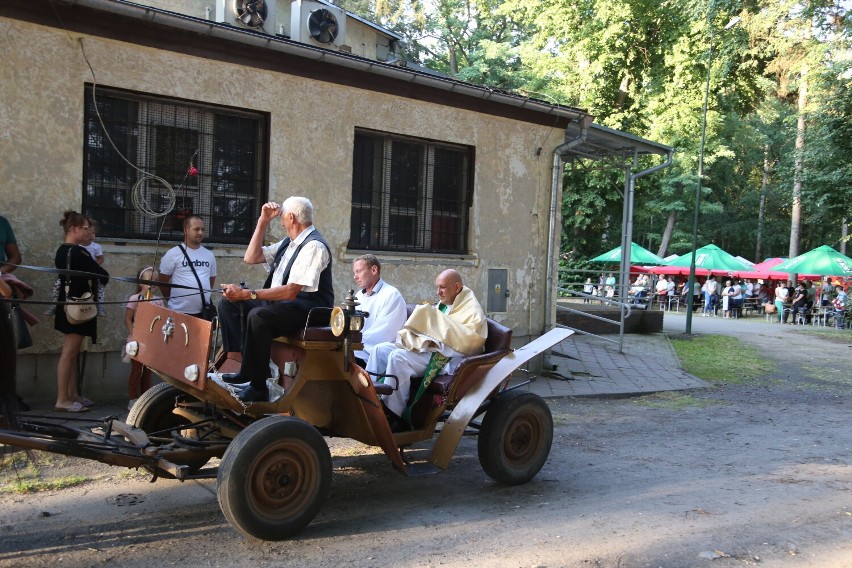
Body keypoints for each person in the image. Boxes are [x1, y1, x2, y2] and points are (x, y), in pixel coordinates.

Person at [218, 197, 334, 402]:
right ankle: (243, 366)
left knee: (258, 316)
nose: (280, 221)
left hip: (309, 308)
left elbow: (291, 291)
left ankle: (258, 386)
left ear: (291, 217)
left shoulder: (314, 246)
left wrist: (249, 294)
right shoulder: (288, 243)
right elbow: (251, 257)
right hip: (286, 304)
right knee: (229, 303)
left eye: (281, 217)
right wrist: (263, 221)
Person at [367, 269, 487, 430]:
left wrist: (431, 340)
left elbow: (470, 343)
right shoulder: (446, 304)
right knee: (379, 350)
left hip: (445, 359)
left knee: (398, 357)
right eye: (437, 287)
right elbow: (437, 329)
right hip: (429, 349)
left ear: (457, 287)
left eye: (442, 287)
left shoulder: (472, 309)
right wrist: (422, 338)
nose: (438, 292)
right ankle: (368, 401)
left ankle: (394, 415)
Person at [54, 211, 109, 412]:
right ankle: (62, 399)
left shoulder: (63, 251)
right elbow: (102, 274)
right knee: (69, 352)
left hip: (69, 304)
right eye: (85, 227)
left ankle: (72, 395)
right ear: (73, 229)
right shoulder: (78, 252)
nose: (89, 231)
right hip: (77, 307)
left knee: (72, 352)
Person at [351, 254, 407, 367]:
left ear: (374, 270)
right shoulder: (358, 296)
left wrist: (354, 342)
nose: (355, 277)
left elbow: (385, 333)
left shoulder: (391, 295)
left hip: (375, 355)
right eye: (354, 273)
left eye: (359, 271)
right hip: (357, 348)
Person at [158, 215, 217, 318]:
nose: (200, 233)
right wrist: (172, 299)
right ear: (186, 230)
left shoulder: (209, 255)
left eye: (203, 229)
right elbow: (162, 281)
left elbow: (210, 281)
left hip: (203, 312)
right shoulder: (173, 254)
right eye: (196, 229)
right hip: (179, 312)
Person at [124, 267, 164, 408]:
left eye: (156, 280)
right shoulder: (135, 299)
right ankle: (133, 399)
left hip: (151, 342)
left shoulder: (158, 301)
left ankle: (145, 399)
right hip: (137, 342)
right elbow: (128, 319)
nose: (153, 283)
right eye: (149, 280)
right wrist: (134, 336)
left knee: (147, 372)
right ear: (141, 282)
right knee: (137, 371)